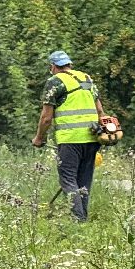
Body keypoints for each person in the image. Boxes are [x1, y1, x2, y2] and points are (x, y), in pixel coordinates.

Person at [32, 50, 103, 223]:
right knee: (83, 182)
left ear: (53, 66)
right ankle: (83, 221)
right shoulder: (86, 79)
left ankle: (78, 220)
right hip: (93, 138)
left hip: (70, 139)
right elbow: (100, 111)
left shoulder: (55, 81)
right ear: (70, 65)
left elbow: (46, 118)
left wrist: (39, 138)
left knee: (68, 180)